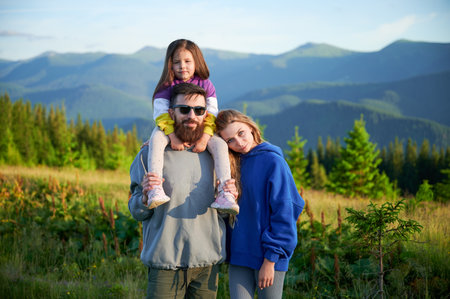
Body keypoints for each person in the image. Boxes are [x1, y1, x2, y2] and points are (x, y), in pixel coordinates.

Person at [128, 83, 237, 298]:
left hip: (207, 265)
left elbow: (225, 213)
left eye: (199, 110)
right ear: (171, 113)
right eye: (184, 109)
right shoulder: (149, 155)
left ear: (206, 115)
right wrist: (143, 197)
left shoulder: (218, 157)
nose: (192, 116)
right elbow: (136, 211)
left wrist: (231, 195)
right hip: (164, 264)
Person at [215, 109, 305, 299]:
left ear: (250, 127)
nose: (238, 143)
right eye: (230, 140)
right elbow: (229, 214)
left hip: (269, 256)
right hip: (239, 254)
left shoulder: (273, 161)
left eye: (241, 133)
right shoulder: (230, 165)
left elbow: (285, 212)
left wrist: (270, 260)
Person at [147, 39, 238, 215]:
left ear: (197, 62)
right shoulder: (166, 86)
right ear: (169, 65)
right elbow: (161, 114)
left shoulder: (206, 84)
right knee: (156, 138)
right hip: (172, 128)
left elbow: (211, 113)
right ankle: (155, 186)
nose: (182, 66)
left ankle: (225, 192)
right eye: (176, 62)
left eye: (187, 61)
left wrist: (205, 138)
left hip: (201, 129)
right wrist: (172, 137)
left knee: (219, 145)